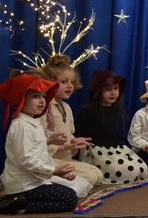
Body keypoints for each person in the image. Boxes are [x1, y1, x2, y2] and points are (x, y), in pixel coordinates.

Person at [0, 72, 78, 214]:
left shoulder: (32, 121)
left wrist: (50, 140)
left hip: (34, 181)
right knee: (69, 198)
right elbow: (26, 159)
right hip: (24, 185)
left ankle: (21, 202)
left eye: (44, 96)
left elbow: (37, 148)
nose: (42, 101)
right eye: (35, 96)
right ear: (21, 99)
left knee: (71, 193)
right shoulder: (21, 125)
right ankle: (19, 205)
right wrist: (54, 170)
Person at [39, 55, 102, 197]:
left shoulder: (67, 107)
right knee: (91, 177)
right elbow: (38, 141)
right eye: (63, 82)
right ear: (50, 83)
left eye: (72, 82)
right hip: (49, 159)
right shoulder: (44, 107)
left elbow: (69, 135)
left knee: (97, 174)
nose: (69, 86)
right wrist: (62, 147)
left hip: (65, 159)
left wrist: (74, 141)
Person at [76, 70, 148, 184]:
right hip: (97, 151)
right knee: (129, 171)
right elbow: (81, 135)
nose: (113, 93)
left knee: (143, 168)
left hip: (117, 149)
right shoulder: (87, 111)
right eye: (108, 89)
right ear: (98, 90)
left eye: (116, 88)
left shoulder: (118, 111)